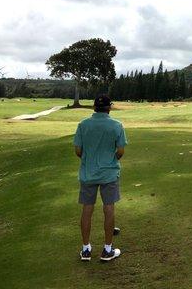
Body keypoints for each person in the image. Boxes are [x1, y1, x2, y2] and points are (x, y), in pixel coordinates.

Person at [73, 94, 127, 262]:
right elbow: (120, 151)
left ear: (94, 107)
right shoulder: (117, 125)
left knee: (87, 209)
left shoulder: (83, 125)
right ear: (109, 107)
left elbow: (78, 151)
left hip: (88, 173)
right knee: (108, 208)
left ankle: (86, 249)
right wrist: (110, 160)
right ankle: (107, 250)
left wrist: (89, 161)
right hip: (109, 173)